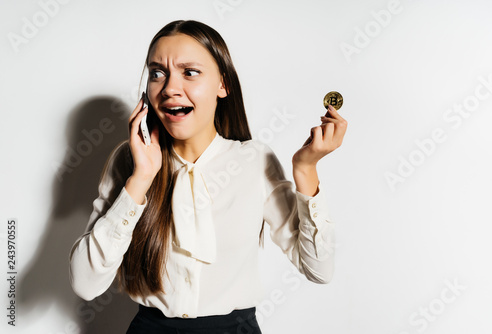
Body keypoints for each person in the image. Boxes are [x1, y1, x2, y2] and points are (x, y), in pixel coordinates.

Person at [69, 19, 347, 334]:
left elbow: (318, 269)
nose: (170, 88)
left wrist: (306, 170)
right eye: (158, 73)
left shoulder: (255, 161)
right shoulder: (129, 160)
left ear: (222, 85)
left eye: (190, 72)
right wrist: (141, 178)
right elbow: (85, 284)